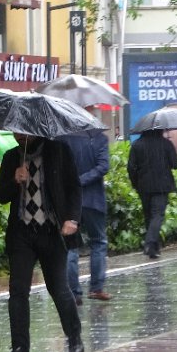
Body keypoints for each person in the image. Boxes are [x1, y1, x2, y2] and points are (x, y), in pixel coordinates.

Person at [0, 133, 85, 352]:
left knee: (58, 288)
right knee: (18, 291)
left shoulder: (58, 152)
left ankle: (75, 339)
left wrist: (72, 219)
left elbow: (74, 187)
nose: (20, 136)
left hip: (51, 231)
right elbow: (1, 195)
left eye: (24, 132)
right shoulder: (11, 157)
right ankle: (19, 346)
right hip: (21, 234)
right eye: (16, 132)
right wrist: (14, 180)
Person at [59, 129, 112, 305]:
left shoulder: (63, 138)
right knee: (98, 242)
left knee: (70, 247)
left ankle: (74, 293)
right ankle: (96, 289)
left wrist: (72, 182)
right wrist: (81, 180)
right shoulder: (99, 138)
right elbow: (103, 166)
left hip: (69, 200)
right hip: (93, 200)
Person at [127, 129, 177, 260]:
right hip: (162, 185)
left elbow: (131, 167)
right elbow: (175, 164)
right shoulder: (166, 144)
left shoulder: (137, 145)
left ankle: (154, 248)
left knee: (148, 216)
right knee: (157, 215)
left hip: (143, 186)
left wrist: (135, 183)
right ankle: (150, 243)